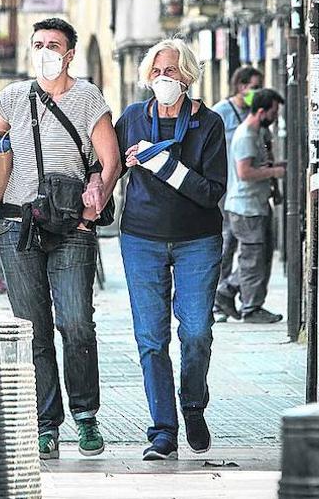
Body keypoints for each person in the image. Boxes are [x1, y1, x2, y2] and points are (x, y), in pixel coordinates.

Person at [0, 17, 121, 461]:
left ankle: (85, 415)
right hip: (16, 225)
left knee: (76, 322)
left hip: (71, 226)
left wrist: (96, 196)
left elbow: (110, 159)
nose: (45, 50)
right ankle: (46, 424)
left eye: (54, 45)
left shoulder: (87, 97)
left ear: (68, 54)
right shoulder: (10, 97)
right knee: (34, 330)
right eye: (38, 43)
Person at [114, 38, 228, 461]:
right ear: (147, 76)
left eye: (173, 71)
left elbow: (211, 191)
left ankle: (193, 403)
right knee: (151, 338)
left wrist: (163, 164)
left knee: (196, 331)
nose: (164, 79)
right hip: (141, 238)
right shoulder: (131, 119)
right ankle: (163, 429)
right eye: (157, 72)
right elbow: (103, 166)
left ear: (189, 76)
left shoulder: (208, 125)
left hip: (197, 240)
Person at [223, 88, 286, 324]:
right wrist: (276, 172)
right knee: (252, 259)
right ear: (261, 112)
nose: (276, 116)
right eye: (273, 112)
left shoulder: (259, 133)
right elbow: (245, 171)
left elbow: (261, 164)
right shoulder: (246, 136)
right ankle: (250, 308)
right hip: (246, 207)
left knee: (259, 257)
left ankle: (227, 292)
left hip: (256, 205)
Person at [210, 65, 263, 321]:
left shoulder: (254, 114)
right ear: (241, 86)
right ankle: (218, 299)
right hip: (225, 189)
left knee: (241, 245)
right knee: (226, 244)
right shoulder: (221, 112)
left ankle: (229, 296)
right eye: (254, 87)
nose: (257, 92)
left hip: (243, 192)